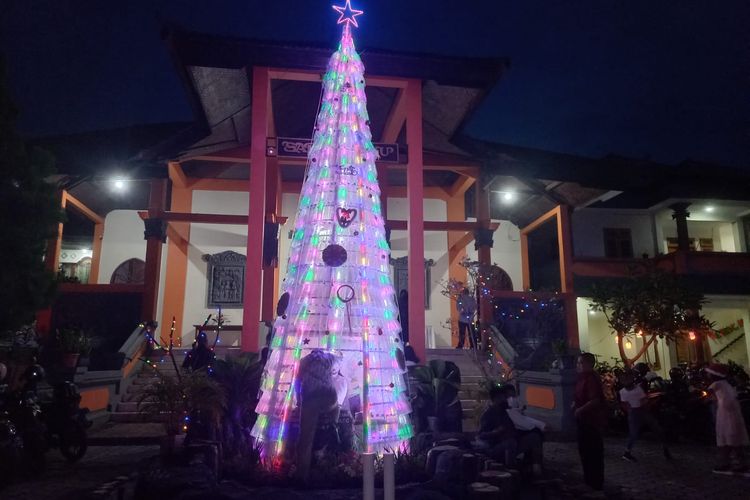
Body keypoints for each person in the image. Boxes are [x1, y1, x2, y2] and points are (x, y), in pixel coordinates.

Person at [479, 385, 543, 475]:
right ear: (495, 399)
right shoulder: (488, 415)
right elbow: (481, 435)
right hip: (497, 447)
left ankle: (536, 467)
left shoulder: (507, 412)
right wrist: (495, 432)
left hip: (514, 443)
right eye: (502, 398)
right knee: (510, 442)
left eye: (505, 397)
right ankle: (511, 470)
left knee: (534, 436)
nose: (505, 400)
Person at [705, 363, 749, 474]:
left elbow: (706, 394)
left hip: (725, 414)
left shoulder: (716, 384)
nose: (708, 375)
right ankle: (738, 463)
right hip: (731, 413)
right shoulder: (726, 383)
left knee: (726, 437)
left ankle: (727, 463)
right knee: (734, 438)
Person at [619, 370, 671, 462]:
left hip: (640, 410)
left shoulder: (637, 389)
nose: (626, 381)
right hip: (635, 412)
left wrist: (643, 406)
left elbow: (643, 400)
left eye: (627, 379)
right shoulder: (623, 391)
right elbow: (625, 403)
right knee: (634, 433)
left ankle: (665, 448)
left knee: (656, 429)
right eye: (624, 379)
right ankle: (627, 453)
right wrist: (630, 410)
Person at [572, 352, 606, 492]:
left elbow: (595, 400)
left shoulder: (591, 378)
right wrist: (575, 404)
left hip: (591, 420)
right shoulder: (582, 378)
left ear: (588, 364)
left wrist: (580, 410)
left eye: (580, 363)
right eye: (578, 363)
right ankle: (588, 481)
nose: (578, 365)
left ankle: (595, 484)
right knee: (585, 452)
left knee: (592, 452)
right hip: (583, 420)